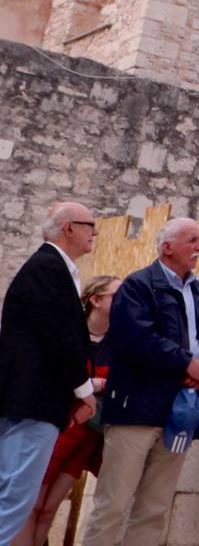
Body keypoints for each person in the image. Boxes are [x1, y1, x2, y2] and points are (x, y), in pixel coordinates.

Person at [83, 217, 199, 546]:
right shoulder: (137, 286)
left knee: (155, 508)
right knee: (113, 505)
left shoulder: (198, 291)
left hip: (180, 412)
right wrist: (187, 364)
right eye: (192, 240)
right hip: (136, 409)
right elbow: (137, 340)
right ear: (167, 248)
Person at [0, 204, 97, 542]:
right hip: (33, 401)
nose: (95, 233)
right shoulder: (48, 268)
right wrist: (84, 392)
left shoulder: (49, 267)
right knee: (15, 495)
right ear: (68, 228)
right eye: (90, 225)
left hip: (27, 399)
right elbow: (60, 336)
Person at [18, 274, 117, 546]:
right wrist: (93, 384)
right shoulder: (71, 334)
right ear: (96, 300)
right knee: (32, 504)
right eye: (116, 295)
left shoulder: (118, 343)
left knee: (50, 507)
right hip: (62, 425)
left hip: (89, 434)